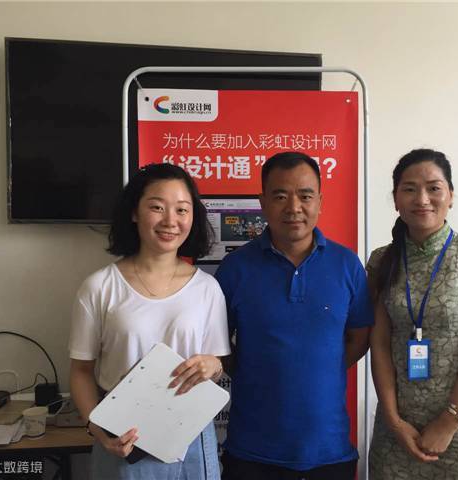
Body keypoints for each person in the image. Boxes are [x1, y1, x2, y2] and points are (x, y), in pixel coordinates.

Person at [215, 151, 374, 480]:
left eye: (305, 196)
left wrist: (319, 367)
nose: (294, 208)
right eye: (280, 196)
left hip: (329, 452)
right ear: (262, 202)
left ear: (320, 201)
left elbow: (360, 337)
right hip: (251, 454)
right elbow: (217, 344)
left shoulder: (347, 265)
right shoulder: (235, 269)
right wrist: (260, 371)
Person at [69, 163, 230, 480]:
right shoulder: (100, 287)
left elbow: (217, 364)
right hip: (123, 437)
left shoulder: (207, 288)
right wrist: (97, 429)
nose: (171, 220)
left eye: (182, 210)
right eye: (157, 207)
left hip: (191, 437)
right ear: (134, 212)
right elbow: (81, 371)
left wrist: (213, 366)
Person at [367, 149, 458, 479]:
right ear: (396, 199)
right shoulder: (381, 261)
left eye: (434, 188)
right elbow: (379, 345)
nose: (422, 199)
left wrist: (448, 423)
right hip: (398, 433)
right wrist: (394, 422)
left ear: (451, 196)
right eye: (409, 189)